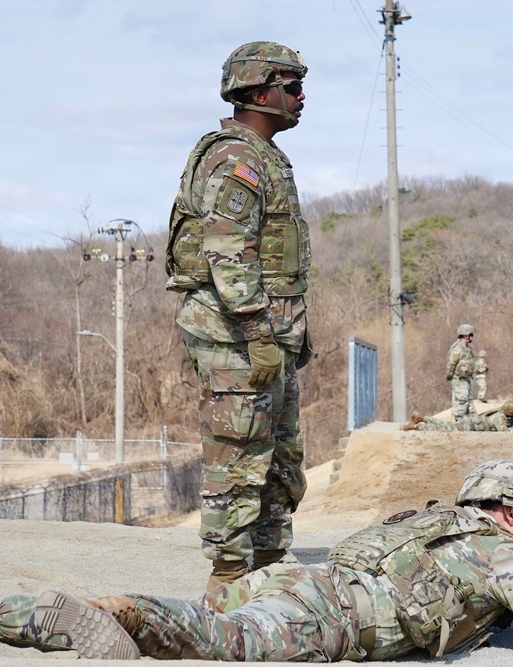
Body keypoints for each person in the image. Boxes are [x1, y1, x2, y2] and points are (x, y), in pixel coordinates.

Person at [0, 460, 513, 661]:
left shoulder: (436, 522)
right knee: (206, 636)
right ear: (509, 509)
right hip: (328, 614)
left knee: (206, 616)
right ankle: (98, 613)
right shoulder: (499, 550)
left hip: (299, 579)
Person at [164, 41, 314, 588]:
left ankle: (269, 568)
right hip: (237, 335)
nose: (302, 97)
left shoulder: (266, 155)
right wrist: (257, 332)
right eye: (292, 87)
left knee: (279, 459)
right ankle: (227, 579)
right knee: (238, 456)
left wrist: (289, 334)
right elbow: (227, 251)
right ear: (259, 93)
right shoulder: (237, 159)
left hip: (268, 334)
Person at [402, 401, 513, 432]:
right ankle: (417, 427)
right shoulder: (499, 418)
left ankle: (423, 418)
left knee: (445, 423)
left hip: (468, 422)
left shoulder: (499, 412)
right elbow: (504, 431)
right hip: (467, 427)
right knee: (442, 429)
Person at [445, 323, 478, 424]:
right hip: (459, 379)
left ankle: (471, 420)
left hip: (467, 378)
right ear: (466, 335)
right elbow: (452, 363)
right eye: (471, 335)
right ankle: (460, 420)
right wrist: (450, 375)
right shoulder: (458, 348)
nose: (472, 337)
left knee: (469, 400)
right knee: (462, 399)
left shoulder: (467, 348)